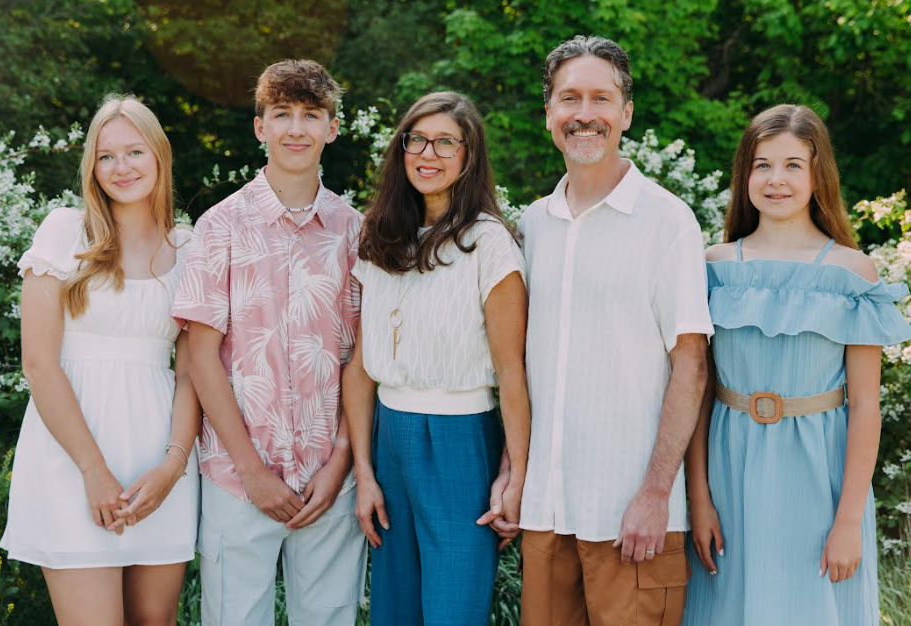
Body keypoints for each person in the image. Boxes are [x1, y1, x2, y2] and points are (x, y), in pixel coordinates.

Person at [683, 104, 911, 625]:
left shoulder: (851, 273)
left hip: (820, 479)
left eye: (792, 165)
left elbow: (866, 407)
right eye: (762, 165)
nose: (776, 180)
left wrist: (849, 520)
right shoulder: (714, 268)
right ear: (745, 176)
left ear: (817, 174)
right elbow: (697, 391)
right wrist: (699, 498)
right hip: (729, 472)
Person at [516, 35, 714, 625]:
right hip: (546, 513)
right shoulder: (532, 225)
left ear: (626, 113)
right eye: (569, 98)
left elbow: (692, 366)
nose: (584, 114)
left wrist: (656, 494)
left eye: (601, 98)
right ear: (548, 112)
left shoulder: (667, 220)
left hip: (634, 518)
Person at [171, 59, 365, 626]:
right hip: (238, 474)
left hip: (330, 478)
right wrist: (253, 471)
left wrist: (342, 461)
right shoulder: (219, 227)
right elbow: (201, 357)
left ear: (332, 128)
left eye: (312, 115)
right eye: (282, 115)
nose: (296, 129)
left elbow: (362, 361)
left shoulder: (354, 232)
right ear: (261, 127)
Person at [0, 94, 200, 626]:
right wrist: (92, 470)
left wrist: (172, 467)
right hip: (72, 459)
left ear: (159, 155)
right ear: (92, 166)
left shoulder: (189, 248)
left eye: (134, 151)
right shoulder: (65, 231)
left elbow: (190, 372)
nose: (121, 167)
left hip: (159, 462)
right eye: (106, 156)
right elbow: (39, 364)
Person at [343, 91, 530, 626]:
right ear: (401, 149)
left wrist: (515, 472)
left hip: (460, 440)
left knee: (453, 610)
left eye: (447, 141)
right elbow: (360, 366)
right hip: (389, 438)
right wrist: (365, 471)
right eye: (417, 139)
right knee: (395, 611)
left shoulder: (490, 244)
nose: (430, 152)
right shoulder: (381, 239)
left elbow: (513, 372)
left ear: (470, 156)